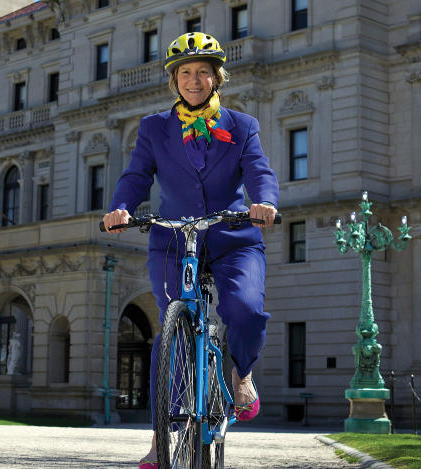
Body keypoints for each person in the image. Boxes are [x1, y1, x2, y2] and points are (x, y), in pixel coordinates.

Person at [102, 31, 279, 469]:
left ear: (217, 78)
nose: (194, 80)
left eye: (203, 72)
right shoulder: (154, 128)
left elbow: (259, 172)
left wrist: (265, 202)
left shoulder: (241, 126)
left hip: (234, 237)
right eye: (185, 72)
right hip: (173, 240)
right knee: (173, 330)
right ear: (174, 79)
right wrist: (121, 207)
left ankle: (241, 374)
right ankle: (164, 440)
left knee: (244, 310)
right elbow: (136, 175)